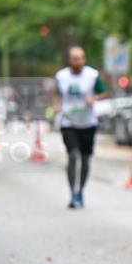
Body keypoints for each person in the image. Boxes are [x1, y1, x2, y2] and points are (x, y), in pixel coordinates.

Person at [55, 46, 108, 209]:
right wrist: (57, 106)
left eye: (81, 58)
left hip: (88, 123)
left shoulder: (92, 75)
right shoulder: (61, 76)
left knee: (85, 160)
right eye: (75, 58)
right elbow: (57, 95)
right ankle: (72, 194)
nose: (79, 61)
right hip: (68, 122)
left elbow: (105, 92)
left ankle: (80, 191)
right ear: (70, 60)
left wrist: (95, 97)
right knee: (72, 155)